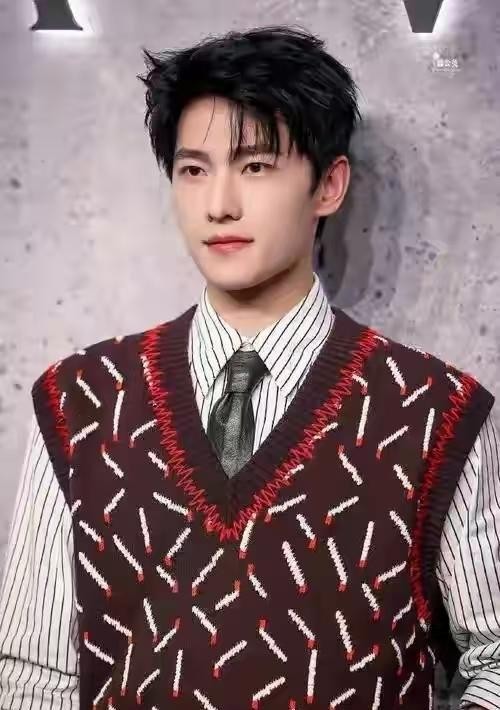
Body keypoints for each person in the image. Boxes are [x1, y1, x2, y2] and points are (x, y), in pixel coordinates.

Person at [0, 24, 498, 710]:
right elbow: (35, 676)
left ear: (329, 185)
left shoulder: (433, 411)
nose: (219, 204)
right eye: (194, 170)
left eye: (256, 166)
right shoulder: (81, 402)